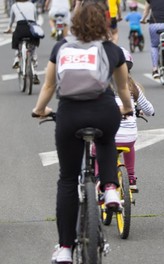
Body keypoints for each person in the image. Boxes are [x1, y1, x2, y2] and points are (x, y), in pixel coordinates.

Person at [31, 3, 133, 262]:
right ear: (105, 23)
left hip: (70, 115)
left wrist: (40, 110)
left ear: (74, 22)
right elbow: (122, 89)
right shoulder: (111, 50)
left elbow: (49, 85)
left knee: (67, 180)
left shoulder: (61, 47)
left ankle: (65, 248)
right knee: (107, 140)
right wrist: (128, 109)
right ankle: (110, 187)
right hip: (104, 111)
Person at [115, 47, 155, 192]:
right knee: (129, 145)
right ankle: (131, 177)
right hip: (128, 136)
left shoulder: (102, 86)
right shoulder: (133, 87)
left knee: (97, 148)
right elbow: (149, 110)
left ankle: (100, 178)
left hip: (109, 135)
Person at [4, 0, 41, 85]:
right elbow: (35, 19)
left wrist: (9, 28)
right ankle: (34, 70)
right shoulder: (32, 5)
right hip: (31, 28)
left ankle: (17, 58)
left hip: (20, 28)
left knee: (16, 41)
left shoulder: (14, 6)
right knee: (33, 46)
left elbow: (11, 20)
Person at [140, 0, 164, 79]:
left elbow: (146, 10)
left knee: (154, 46)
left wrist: (143, 19)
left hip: (155, 25)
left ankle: (155, 69)